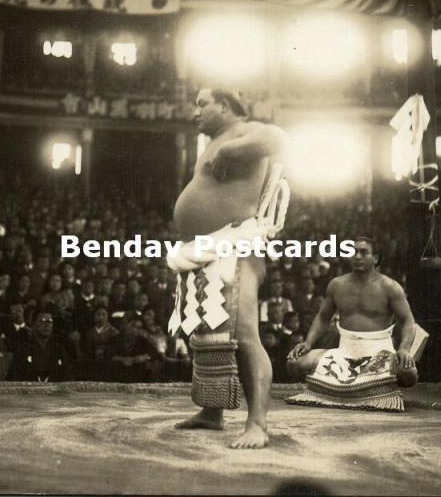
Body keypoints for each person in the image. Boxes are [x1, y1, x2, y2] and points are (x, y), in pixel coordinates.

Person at [168, 87, 288, 449]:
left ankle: (258, 424)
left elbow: (277, 137)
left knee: (244, 334)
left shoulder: (242, 132)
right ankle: (212, 411)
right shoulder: (214, 140)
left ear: (225, 105)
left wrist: (231, 149)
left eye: (203, 104)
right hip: (201, 251)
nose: (195, 112)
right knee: (206, 331)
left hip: (235, 246)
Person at [286, 237, 418, 411]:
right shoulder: (337, 285)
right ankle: (358, 386)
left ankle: (350, 386)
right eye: (354, 251)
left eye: (363, 252)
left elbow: (408, 321)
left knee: (408, 374)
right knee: (294, 362)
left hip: (380, 353)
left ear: (376, 258)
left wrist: (404, 348)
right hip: (344, 351)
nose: (357, 256)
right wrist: (308, 342)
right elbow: (323, 317)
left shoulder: (390, 287)